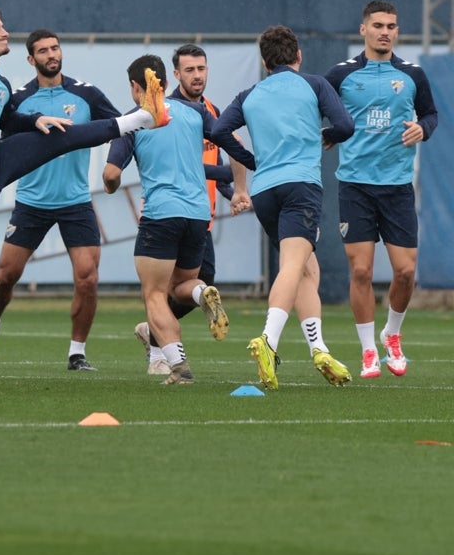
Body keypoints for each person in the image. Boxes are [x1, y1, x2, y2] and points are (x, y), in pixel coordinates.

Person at [0, 3, 169, 390]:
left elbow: (7, 122)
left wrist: (35, 121)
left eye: (2, 25)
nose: (4, 31)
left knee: (59, 135)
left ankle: (143, 117)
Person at [0, 29, 120, 373]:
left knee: (88, 277)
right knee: (5, 276)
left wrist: (115, 164)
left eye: (55, 48)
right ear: (30, 59)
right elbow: (4, 151)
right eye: (43, 51)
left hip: (76, 201)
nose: (52, 55)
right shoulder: (18, 101)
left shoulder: (86, 94)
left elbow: (120, 128)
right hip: (31, 202)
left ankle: (76, 353)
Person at [213, 25, 355, 390]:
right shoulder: (314, 84)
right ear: (299, 56)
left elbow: (217, 132)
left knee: (307, 269)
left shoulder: (250, 94)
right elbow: (344, 125)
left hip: (265, 193)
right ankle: (268, 341)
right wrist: (328, 136)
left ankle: (319, 349)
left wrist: (251, 159)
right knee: (293, 265)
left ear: (264, 61)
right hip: (301, 186)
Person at [104, 55, 255, 385]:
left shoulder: (132, 120)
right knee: (182, 285)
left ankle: (177, 364)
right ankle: (203, 295)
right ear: (167, 81)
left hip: (160, 214)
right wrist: (241, 189)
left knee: (155, 294)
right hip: (199, 216)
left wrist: (110, 185)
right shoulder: (196, 111)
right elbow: (234, 142)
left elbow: (111, 173)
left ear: (135, 86)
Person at [324, 0, 438, 378]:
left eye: (391, 25)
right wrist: (328, 134)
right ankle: (368, 349)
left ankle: (392, 334)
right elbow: (315, 110)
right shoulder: (341, 75)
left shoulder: (412, 75)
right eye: (378, 25)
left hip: (397, 187)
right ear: (363, 30)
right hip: (355, 186)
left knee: (405, 272)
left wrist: (424, 128)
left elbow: (431, 114)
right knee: (361, 272)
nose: (385, 31)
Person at [134, 43, 234, 374]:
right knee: (176, 288)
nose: (196, 76)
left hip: (196, 215)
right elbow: (182, 164)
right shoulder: (166, 110)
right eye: (189, 70)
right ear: (175, 74)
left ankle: (154, 338)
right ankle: (157, 357)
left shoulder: (212, 113)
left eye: (201, 69)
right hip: (183, 210)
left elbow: (217, 163)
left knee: (175, 289)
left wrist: (232, 192)